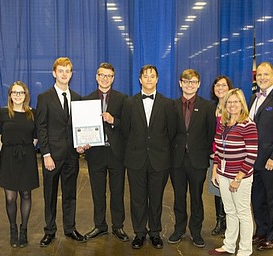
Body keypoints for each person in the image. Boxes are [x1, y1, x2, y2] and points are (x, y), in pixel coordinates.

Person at [121, 64, 177, 249]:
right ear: (140, 79)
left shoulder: (168, 104)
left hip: (159, 160)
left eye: (152, 76)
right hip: (135, 159)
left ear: (157, 79)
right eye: (145, 76)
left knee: (156, 199)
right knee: (137, 199)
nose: (149, 79)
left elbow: (171, 132)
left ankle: (155, 232)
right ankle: (139, 233)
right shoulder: (129, 103)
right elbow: (125, 131)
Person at [36, 57, 86, 247]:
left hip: (72, 156)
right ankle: (49, 231)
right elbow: (41, 128)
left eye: (68, 71)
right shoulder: (44, 98)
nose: (64, 74)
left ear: (71, 74)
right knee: (50, 195)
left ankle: (70, 228)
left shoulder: (77, 97)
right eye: (61, 71)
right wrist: (46, 154)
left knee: (70, 194)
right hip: (52, 157)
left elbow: (78, 127)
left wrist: (81, 144)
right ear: (54, 73)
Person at [79, 63, 129, 241]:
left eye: (109, 76)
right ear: (96, 77)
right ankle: (100, 226)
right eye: (102, 75)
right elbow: (82, 127)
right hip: (96, 153)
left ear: (113, 78)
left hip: (116, 153)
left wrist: (113, 119)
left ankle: (118, 226)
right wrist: (82, 142)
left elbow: (128, 126)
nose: (105, 78)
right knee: (97, 192)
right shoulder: (87, 99)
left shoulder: (123, 99)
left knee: (117, 192)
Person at [168, 69, 216, 248]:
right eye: (186, 82)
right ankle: (179, 229)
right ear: (180, 83)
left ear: (199, 84)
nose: (190, 85)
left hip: (198, 161)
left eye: (193, 82)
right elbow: (169, 133)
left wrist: (206, 155)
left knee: (197, 197)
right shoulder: (171, 106)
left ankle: (196, 232)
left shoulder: (207, 107)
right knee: (179, 197)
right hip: (177, 161)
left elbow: (211, 133)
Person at [209, 88, 258, 255]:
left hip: (240, 178)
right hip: (223, 175)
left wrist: (238, 177)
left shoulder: (248, 124)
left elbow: (252, 155)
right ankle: (229, 245)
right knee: (229, 211)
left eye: (236, 101)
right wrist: (215, 169)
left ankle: (245, 250)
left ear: (242, 104)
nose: (232, 105)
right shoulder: (224, 123)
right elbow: (218, 150)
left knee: (243, 212)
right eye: (229, 102)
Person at [0, 81, 39, 248]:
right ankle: (13, 229)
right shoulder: (3, 113)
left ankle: (24, 230)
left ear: (26, 95)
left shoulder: (32, 114)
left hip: (27, 157)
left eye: (21, 93)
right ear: (10, 95)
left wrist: (26, 149)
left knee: (26, 194)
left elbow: (35, 137)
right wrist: (5, 150)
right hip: (8, 157)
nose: (18, 95)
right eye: (15, 92)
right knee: (10, 197)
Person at [249, 61, 273, 251]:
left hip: (269, 161)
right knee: (257, 198)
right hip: (253, 160)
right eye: (259, 75)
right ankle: (262, 231)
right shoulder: (253, 98)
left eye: (266, 74)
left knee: (271, 198)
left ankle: (272, 236)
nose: (262, 78)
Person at [208, 75, 233, 237]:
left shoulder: (233, 107)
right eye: (217, 85)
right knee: (217, 190)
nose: (220, 88)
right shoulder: (211, 107)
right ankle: (220, 222)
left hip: (230, 157)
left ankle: (231, 225)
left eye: (223, 85)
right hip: (214, 156)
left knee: (230, 192)